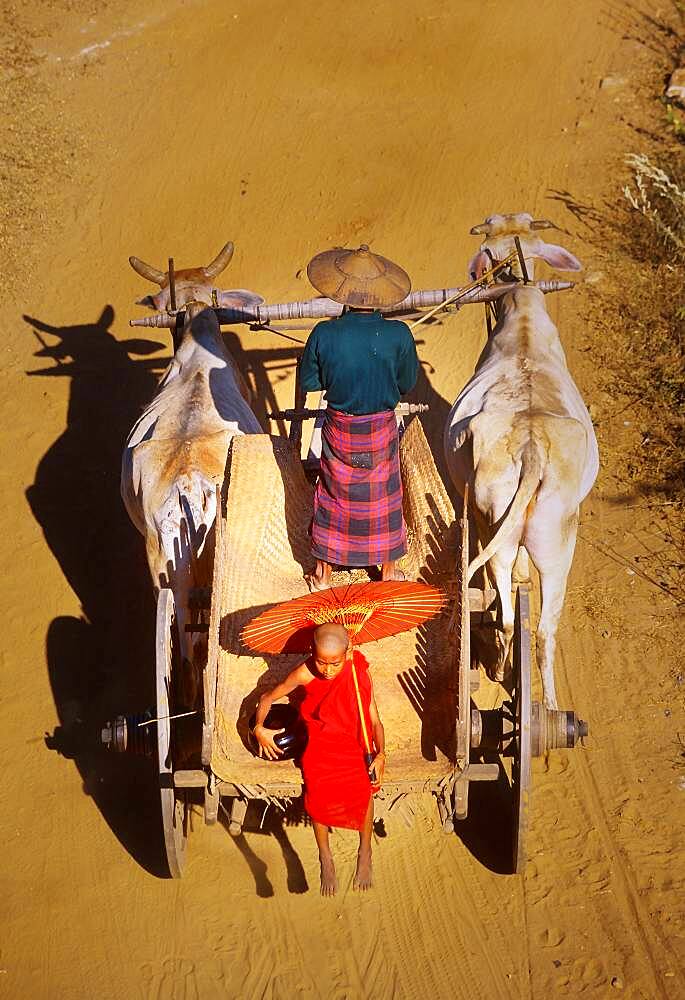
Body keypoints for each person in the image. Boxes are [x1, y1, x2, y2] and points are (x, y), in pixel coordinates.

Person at [298, 244, 420, 590]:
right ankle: (389, 570)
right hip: (381, 426)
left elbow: (310, 381)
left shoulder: (324, 333)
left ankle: (322, 573)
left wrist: (336, 374)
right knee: (384, 494)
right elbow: (407, 383)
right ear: (382, 293)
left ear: (342, 292)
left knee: (333, 490)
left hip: (340, 427)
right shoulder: (399, 334)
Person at [253, 623, 386, 896]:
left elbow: (374, 720)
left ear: (347, 653)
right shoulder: (304, 672)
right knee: (317, 789)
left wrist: (382, 753)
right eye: (321, 662)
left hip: (354, 740)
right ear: (311, 651)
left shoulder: (357, 669)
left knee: (365, 786)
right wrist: (258, 728)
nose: (327, 670)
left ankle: (365, 849)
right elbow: (267, 698)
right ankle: (325, 855)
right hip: (320, 739)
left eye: (334, 663)